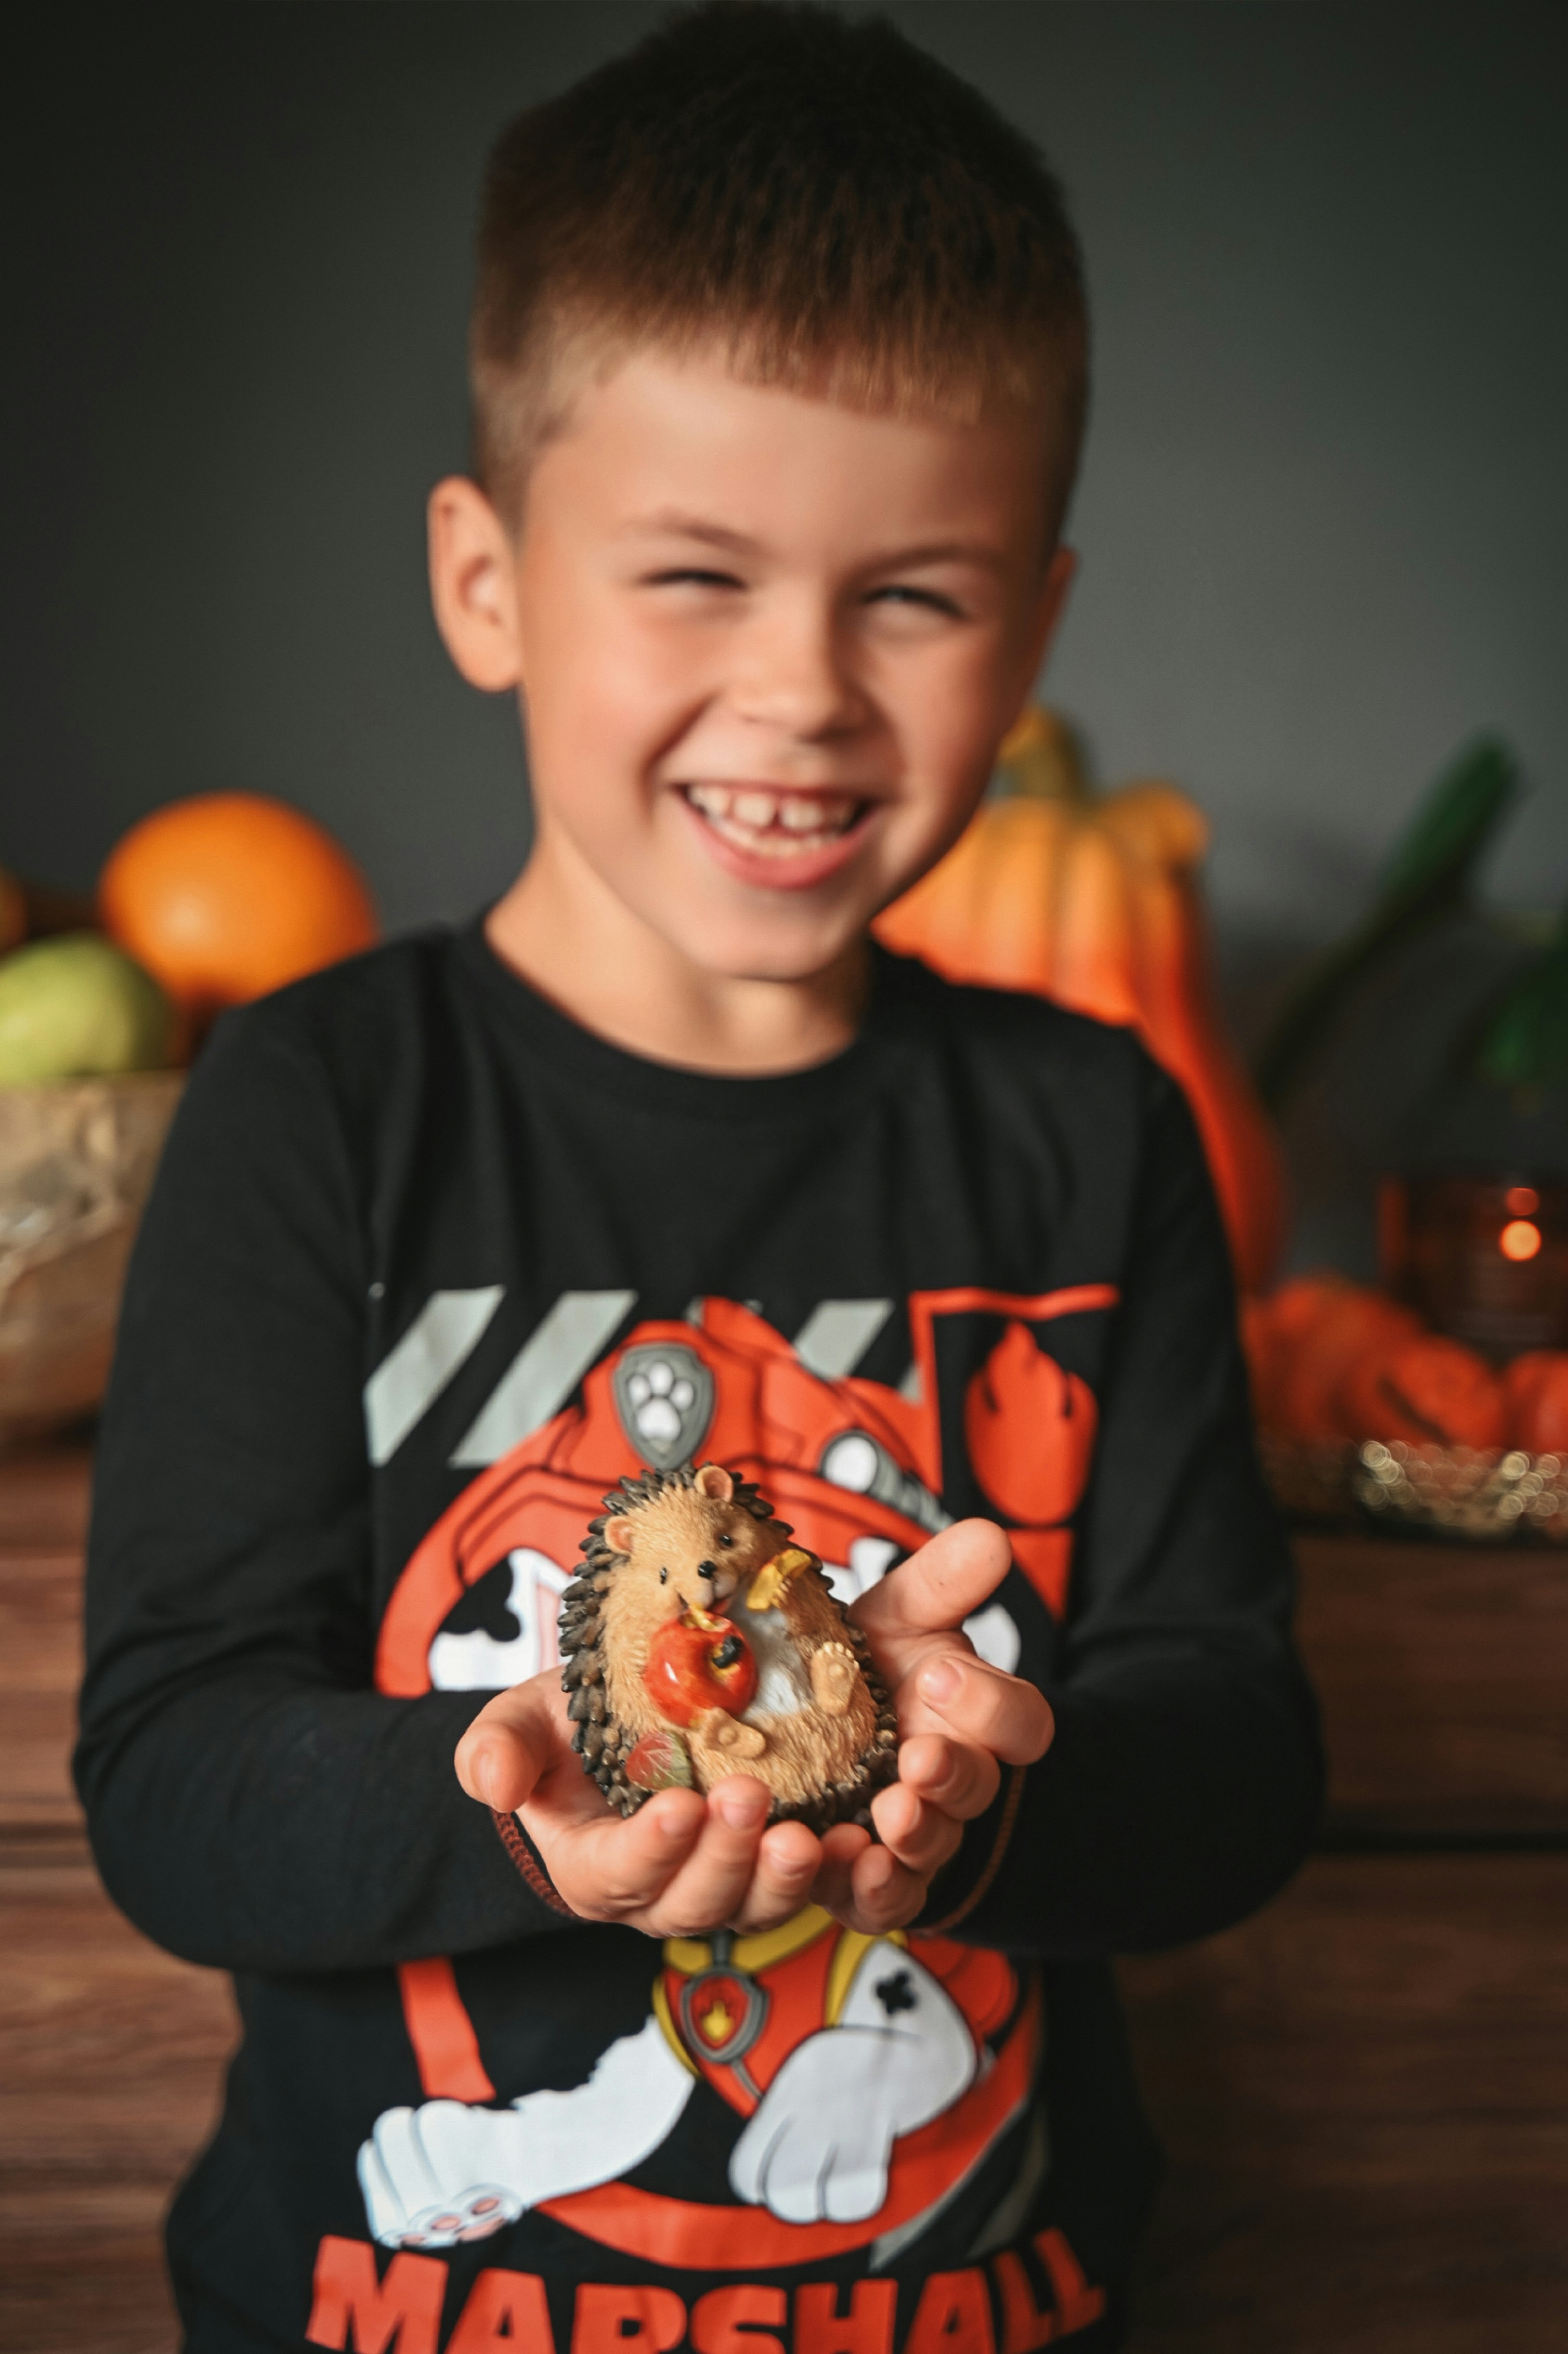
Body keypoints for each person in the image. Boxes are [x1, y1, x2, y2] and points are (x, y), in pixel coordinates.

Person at [76, 8, 1323, 2350]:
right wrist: (505, 1801)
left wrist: (996, 1801)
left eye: (913, 597)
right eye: (695, 576)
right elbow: (169, 1774)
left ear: (1033, 636)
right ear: (486, 581)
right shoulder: (317, 1104)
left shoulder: (1091, 1126)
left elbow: (1242, 1759)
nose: (805, 694)